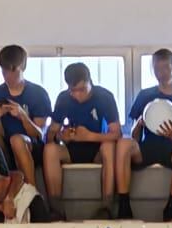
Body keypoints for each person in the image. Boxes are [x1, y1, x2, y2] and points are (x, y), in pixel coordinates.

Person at [123, 47, 172, 221]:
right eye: (157, 69)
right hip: (147, 147)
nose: (161, 73)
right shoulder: (145, 95)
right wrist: (139, 124)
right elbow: (133, 136)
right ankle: (123, 205)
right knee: (123, 145)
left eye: (166, 68)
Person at [41, 62, 123, 211]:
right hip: (72, 149)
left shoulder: (104, 97)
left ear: (90, 82)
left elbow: (117, 134)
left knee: (109, 147)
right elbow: (51, 133)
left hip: (98, 149)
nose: (78, 95)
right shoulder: (64, 99)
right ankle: (55, 208)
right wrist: (60, 136)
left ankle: (107, 205)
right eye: (73, 91)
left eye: (82, 90)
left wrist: (89, 136)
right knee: (49, 150)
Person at [0, 45, 52, 186]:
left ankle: (31, 193)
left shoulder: (38, 93)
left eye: (13, 72)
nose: (9, 76)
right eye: (5, 71)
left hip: (31, 147)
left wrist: (23, 116)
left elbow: (39, 134)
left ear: (22, 67)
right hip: (5, 148)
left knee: (17, 140)